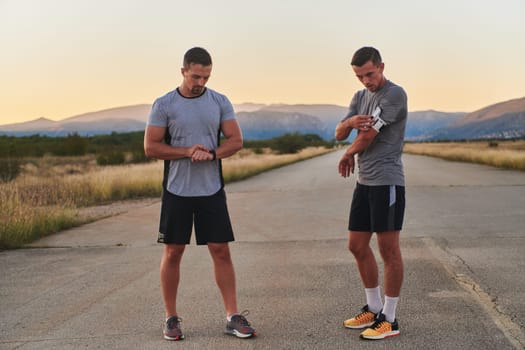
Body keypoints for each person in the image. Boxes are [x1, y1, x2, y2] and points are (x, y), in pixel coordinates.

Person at [144, 47, 256, 341]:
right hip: (177, 190)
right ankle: (171, 318)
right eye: (195, 76)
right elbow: (151, 147)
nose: (200, 82)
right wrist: (186, 151)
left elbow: (236, 140)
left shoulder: (219, 102)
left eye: (205, 77)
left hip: (211, 190)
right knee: (173, 251)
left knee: (221, 250)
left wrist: (213, 154)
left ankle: (232, 316)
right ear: (183, 71)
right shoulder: (164, 104)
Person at [335, 46, 407, 340]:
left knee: (388, 250)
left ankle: (389, 319)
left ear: (381, 66)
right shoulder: (360, 97)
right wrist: (350, 122)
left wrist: (347, 153)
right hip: (364, 183)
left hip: (387, 181)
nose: (366, 81)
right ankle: (374, 308)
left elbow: (369, 135)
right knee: (356, 245)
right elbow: (339, 132)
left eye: (370, 73)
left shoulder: (394, 94)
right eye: (360, 76)